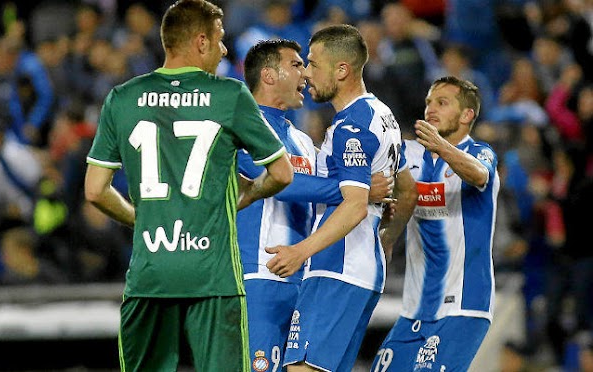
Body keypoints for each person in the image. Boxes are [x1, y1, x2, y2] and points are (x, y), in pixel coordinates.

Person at [83, 1, 294, 371]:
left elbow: (95, 190)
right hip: (213, 275)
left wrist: (140, 219)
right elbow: (281, 173)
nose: (225, 49)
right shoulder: (230, 95)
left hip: (150, 273)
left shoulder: (123, 97)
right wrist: (246, 195)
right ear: (201, 42)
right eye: (220, 39)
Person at [264, 24, 415, 371]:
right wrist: (386, 239)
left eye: (314, 64)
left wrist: (300, 252)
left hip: (337, 269)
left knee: (301, 368)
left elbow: (355, 205)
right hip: (362, 270)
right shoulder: (383, 116)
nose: (306, 73)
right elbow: (408, 189)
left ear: (342, 69)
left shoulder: (351, 127)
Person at [371, 76, 500, 372]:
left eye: (442, 103)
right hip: (414, 308)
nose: (430, 109)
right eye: (429, 102)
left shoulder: (479, 153)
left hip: (463, 306)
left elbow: (480, 175)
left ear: (467, 115)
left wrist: (440, 146)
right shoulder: (409, 154)